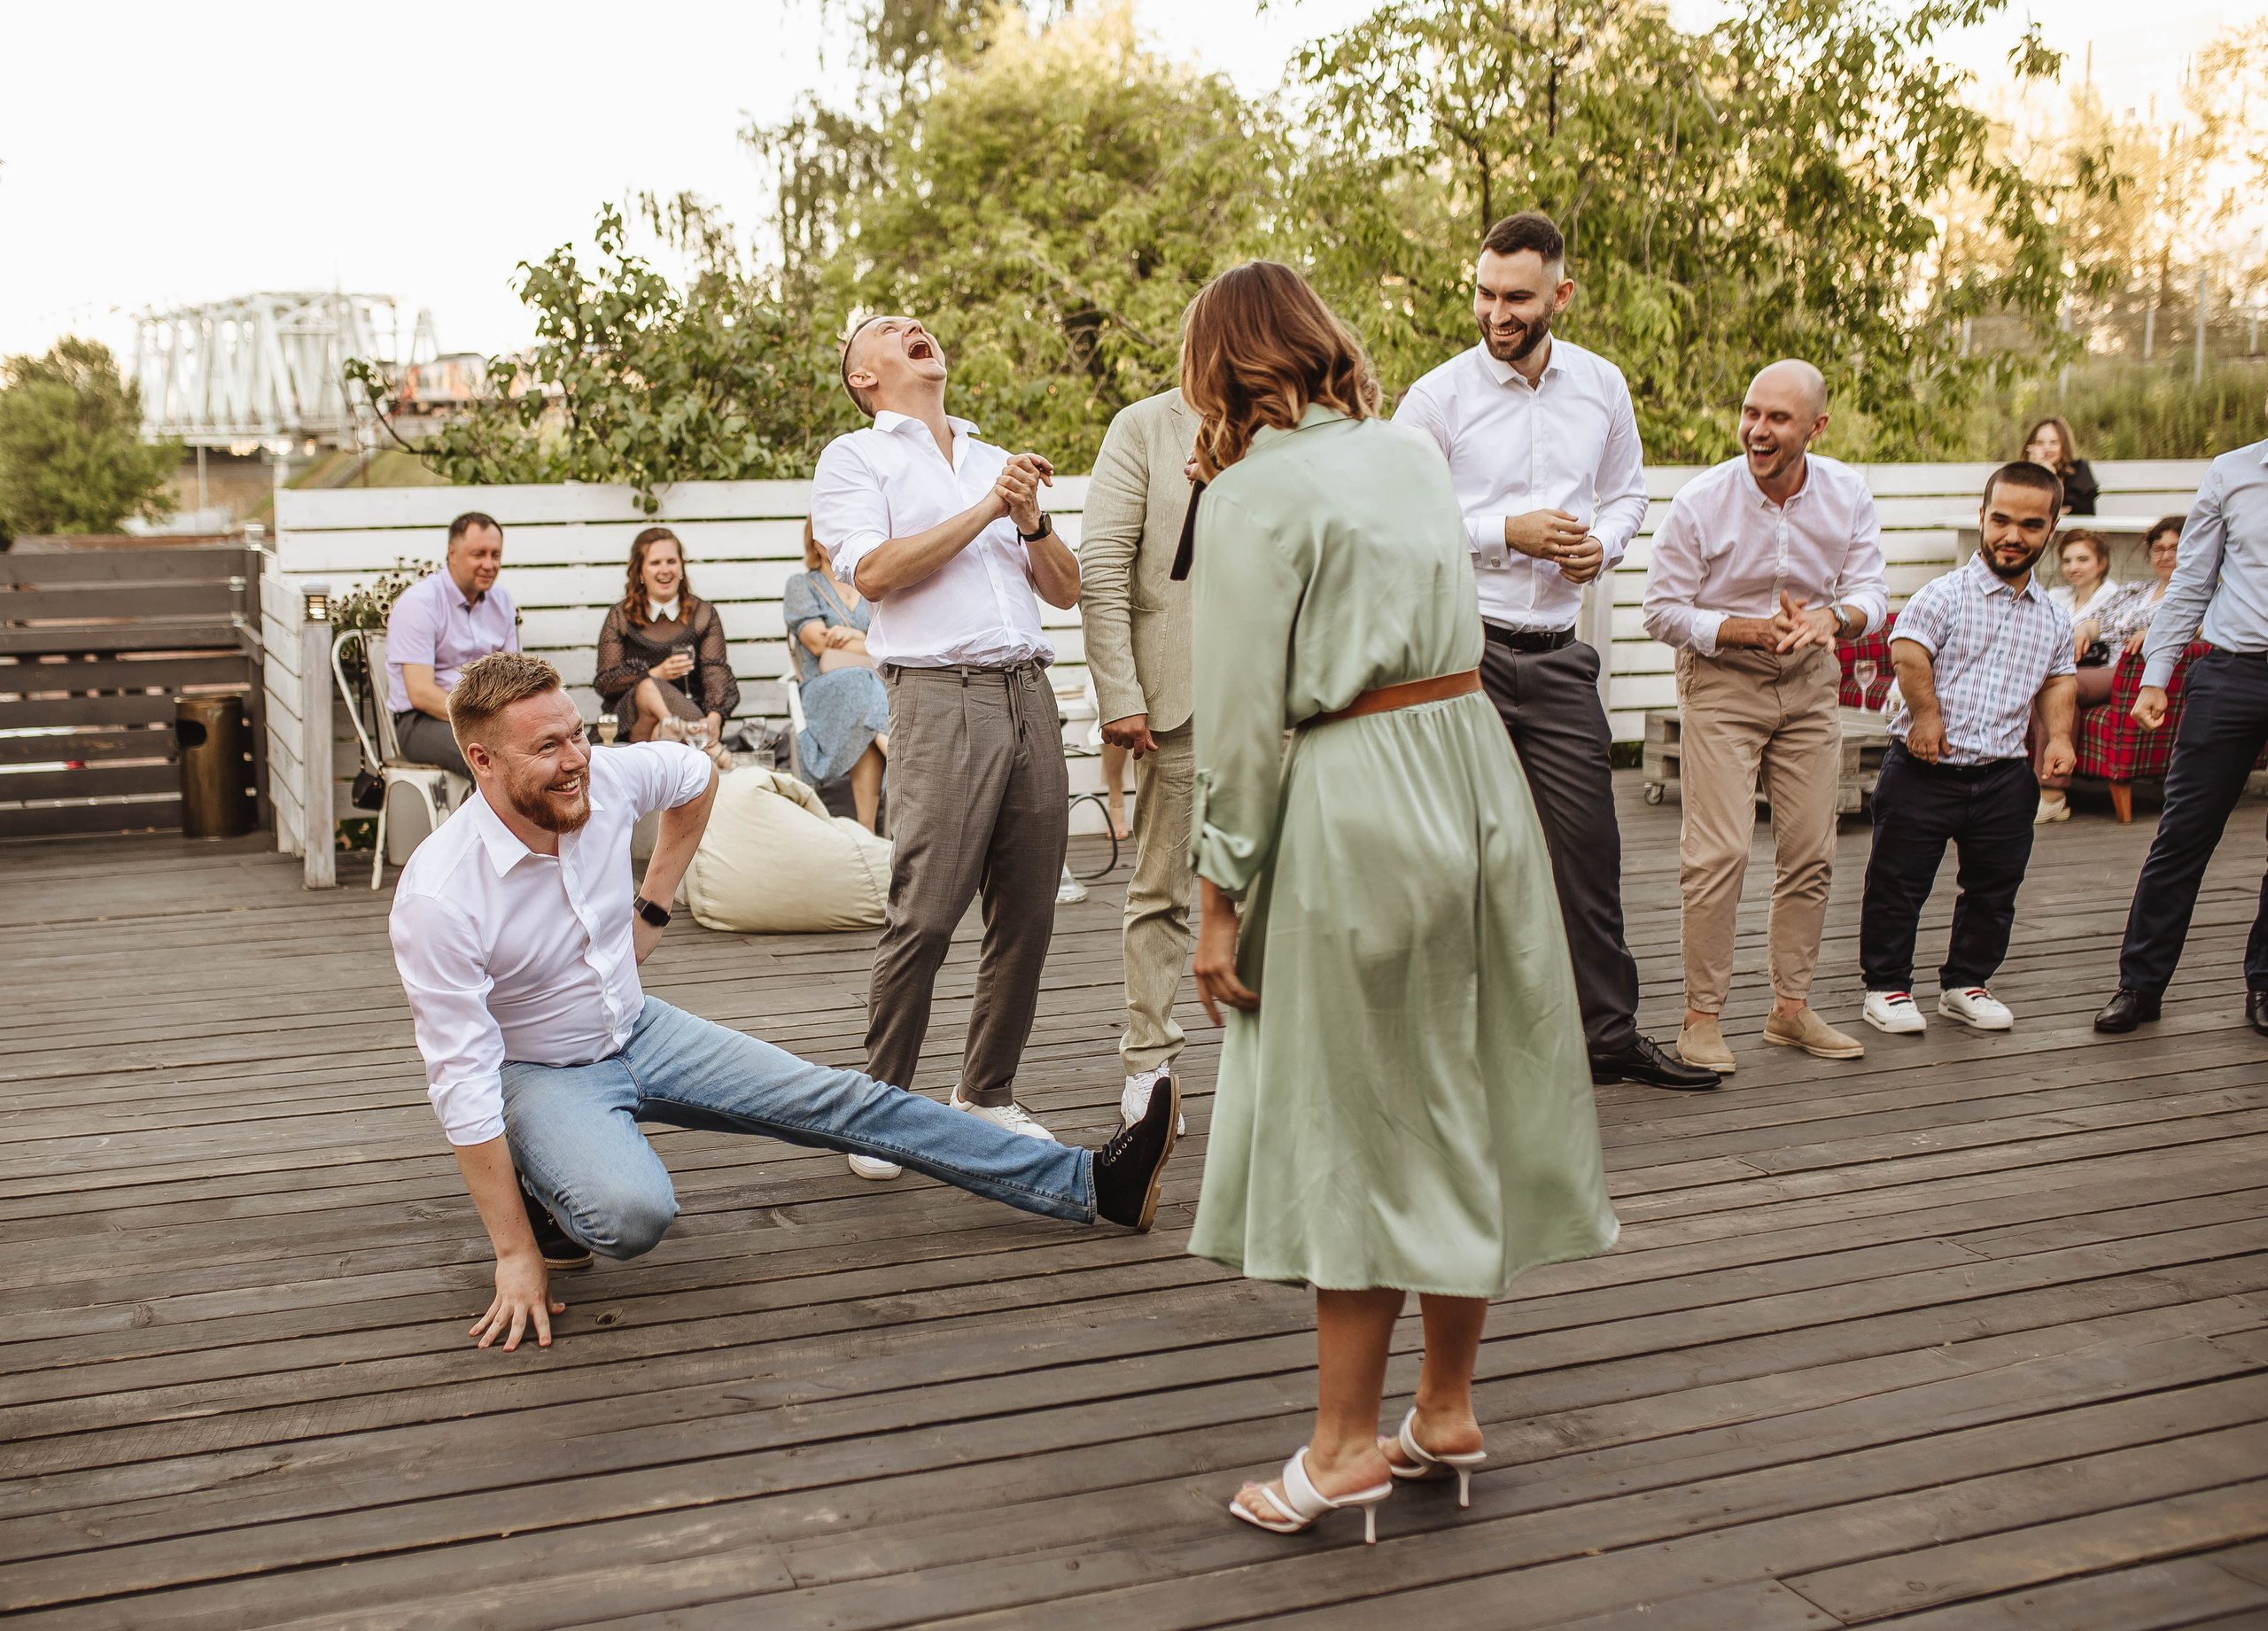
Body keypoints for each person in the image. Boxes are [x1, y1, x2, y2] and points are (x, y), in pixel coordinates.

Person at [1176, 262, 1618, 1543]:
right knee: (1463, 1082)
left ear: (1222, 366)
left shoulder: (1250, 497)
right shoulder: (1411, 452)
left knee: (1357, 1111)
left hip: (1355, 792)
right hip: (1471, 769)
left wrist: (1218, 903)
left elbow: (1244, 725)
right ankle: (1447, 1408)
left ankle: (1343, 1444)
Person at [386, 652, 1179, 1353]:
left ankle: (1089, 1183)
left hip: (640, 1027)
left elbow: (697, 781)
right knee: (632, 1214)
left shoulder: (610, 776)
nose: (576, 762)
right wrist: (514, 1252)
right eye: (548, 747)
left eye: (578, 734)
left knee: (849, 1098)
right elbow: (461, 1083)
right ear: (483, 761)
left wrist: (655, 905)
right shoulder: (440, 896)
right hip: (540, 1070)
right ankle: (542, 1190)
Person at [1395, 211, 1716, 1093]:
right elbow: (1400, 519)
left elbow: (1626, 495)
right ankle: (1455, 1054)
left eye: (1516, 298)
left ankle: (1606, 1037)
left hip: (1561, 652)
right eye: (1485, 294)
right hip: (1460, 658)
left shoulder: (1602, 386)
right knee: (1458, 860)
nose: (1496, 312)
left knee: (1587, 850)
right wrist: (1511, 532)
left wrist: (1600, 547)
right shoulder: (1435, 399)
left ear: (1559, 295)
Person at [810, 314, 1082, 1178]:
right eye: (891, 330)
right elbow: (875, 574)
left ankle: (987, 1091)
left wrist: (1030, 520)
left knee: (1029, 912)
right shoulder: (856, 458)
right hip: (937, 695)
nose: (914, 326)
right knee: (925, 912)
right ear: (865, 376)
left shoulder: (990, 453)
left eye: (917, 322)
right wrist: (986, 507)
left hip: (1026, 691)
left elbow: (1066, 591)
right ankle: (879, 1106)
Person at [1641, 360, 1887, 1073]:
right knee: (1719, 852)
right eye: (1751, 412)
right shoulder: (1700, 501)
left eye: (1778, 418)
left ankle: (1790, 1010)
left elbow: (1869, 586)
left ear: (1816, 427)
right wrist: (1741, 629)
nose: (1757, 429)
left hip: (1810, 676)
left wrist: (1833, 618)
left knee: (1811, 849)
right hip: (1723, 680)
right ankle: (1701, 1017)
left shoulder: (1846, 493)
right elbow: (1661, 610)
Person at [1859, 463, 2077, 1036]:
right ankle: (1887, 987)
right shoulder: (1945, 594)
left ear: (2052, 526)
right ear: (1982, 518)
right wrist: (1926, 717)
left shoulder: (2055, 615)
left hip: (2004, 774)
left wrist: (2058, 737)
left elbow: (2059, 678)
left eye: (2030, 524)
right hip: (1924, 768)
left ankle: (1966, 982)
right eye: (2001, 519)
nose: (2013, 535)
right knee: (1897, 883)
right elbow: (1907, 651)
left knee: (1994, 887)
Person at [2096, 411, 2268, 1037]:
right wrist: (2154, 676)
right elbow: (2191, 580)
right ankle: (2139, 986)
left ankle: (2266, 982)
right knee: (2182, 835)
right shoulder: (2233, 472)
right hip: (2231, 671)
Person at [1077, 384, 1201, 1130]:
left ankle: (1285, 1063)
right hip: (1175, 697)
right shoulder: (1143, 427)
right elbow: (1103, 568)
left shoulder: (1292, 415)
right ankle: (1148, 1064)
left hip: (1284, 698)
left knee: (1288, 893)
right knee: (1161, 888)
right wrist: (1121, 689)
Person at [384, 511, 517, 778]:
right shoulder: (420, 603)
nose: (489, 564)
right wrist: (482, 720)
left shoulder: (501, 602)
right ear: (452, 553)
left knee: (546, 751)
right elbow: (420, 693)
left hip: (489, 718)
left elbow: (513, 678)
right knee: (489, 759)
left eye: (495, 555)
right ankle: (486, 821)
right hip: (422, 722)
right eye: (479, 554)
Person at [782, 518, 892, 832]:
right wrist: (868, 641)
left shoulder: (871, 584)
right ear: (813, 542)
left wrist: (852, 637)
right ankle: (902, 758)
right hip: (822, 691)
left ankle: (868, 831)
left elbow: (895, 642)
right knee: (863, 684)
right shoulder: (801, 585)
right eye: (825, 533)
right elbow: (817, 642)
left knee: (866, 703)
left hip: (873, 692)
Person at [594, 527, 739, 762]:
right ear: (640, 571)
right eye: (655, 563)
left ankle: (680, 731)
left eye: (671, 561)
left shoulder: (703, 614)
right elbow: (606, 682)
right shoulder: (620, 617)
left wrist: (715, 717)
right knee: (647, 686)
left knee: (662, 733)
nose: (665, 570)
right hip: (632, 723)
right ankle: (712, 750)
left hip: (687, 714)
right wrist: (655, 673)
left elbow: (716, 670)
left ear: (681, 567)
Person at [2034, 530, 2134, 822]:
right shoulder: (2054, 596)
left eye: (2083, 559)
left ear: (2101, 563)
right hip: (2061, 670)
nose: (2073, 567)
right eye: (2067, 561)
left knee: (2053, 688)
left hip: (2108, 670)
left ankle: (2051, 793)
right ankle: (2045, 793)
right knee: (2054, 694)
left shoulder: (2116, 597)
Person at [2023, 416, 2099, 516]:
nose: (2047, 448)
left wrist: (2052, 477)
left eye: (2054, 442)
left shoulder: (2078, 469)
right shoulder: (2022, 474)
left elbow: (2083, 512)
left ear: (2064, 445)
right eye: (2039, 443)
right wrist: (2042, 473)